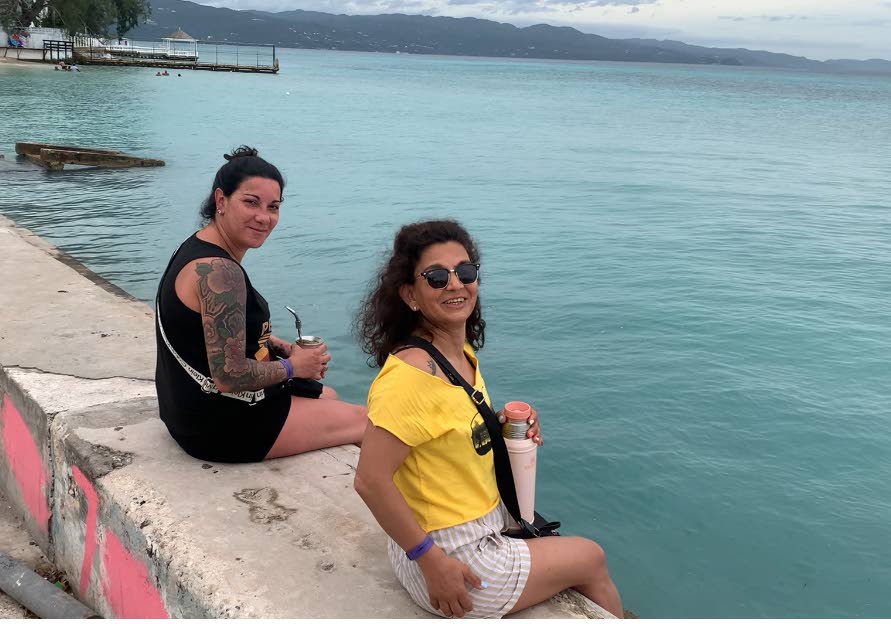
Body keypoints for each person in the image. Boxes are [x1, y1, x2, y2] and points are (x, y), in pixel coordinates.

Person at [354, 220, 623, 618]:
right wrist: (431, 561)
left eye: (465, 272)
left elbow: (444, 427)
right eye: (436, 277)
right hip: (453, 560)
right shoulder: (411, 377)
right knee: (591, 558)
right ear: (410, 294)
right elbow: (369, 480)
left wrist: (502, 426)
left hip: (458, 533)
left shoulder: (455, 356)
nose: (455, 284)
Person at [154, 146, 367, 463]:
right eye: (251, 202)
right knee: (369, 422)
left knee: (329, 396)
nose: (264, 217)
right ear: (221, 200)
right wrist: (294, 367)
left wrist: (279, 346)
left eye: (273, 207)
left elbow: (207, 330)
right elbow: (229, 376)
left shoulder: (196, 246)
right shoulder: (221, 272)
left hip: (185, 410)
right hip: (219, 427)